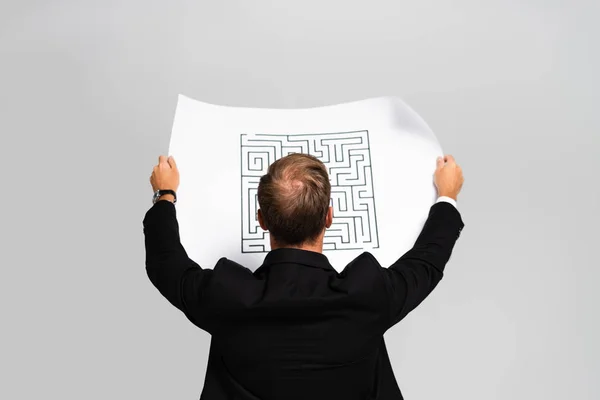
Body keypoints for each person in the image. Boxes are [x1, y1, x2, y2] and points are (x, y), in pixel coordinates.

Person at [144, 152, 464, 400]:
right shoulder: (368, 294)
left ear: (262, 220)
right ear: (328, 217)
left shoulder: (227, 295)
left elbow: (165, 262)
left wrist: (166, 194)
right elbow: (427, 261)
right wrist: (447, 196)